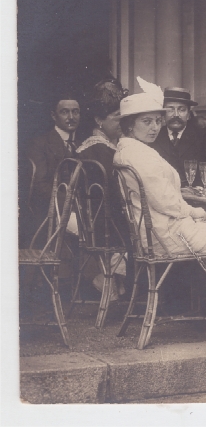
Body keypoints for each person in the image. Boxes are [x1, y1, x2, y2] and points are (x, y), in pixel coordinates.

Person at [113, 77, 206, 305]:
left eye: (157, 121)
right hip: (166, 234)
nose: (154, 127)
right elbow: (165, 201)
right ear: (130, 124)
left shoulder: (130, 149)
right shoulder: (138, 154)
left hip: (159, 230)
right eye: (146, 122)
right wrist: (195, 212)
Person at [76, 77, 128, 299]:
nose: (122, 124)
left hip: (95, 224)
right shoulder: (102, 152)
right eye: (117, 118)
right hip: (105, 227)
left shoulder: (94, 148)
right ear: (99, 120)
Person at [27, 92, 82, 220]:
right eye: (64, 112)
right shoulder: (40, 144)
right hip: (53, 213)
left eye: (75, 112)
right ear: (53, 115)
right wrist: (71, 206)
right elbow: (40, 186)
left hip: (82, 211)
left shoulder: (81, 144)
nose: (71, 117)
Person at [151, 88, 206, 187]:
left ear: (188, 114)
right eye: (170, 110)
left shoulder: (205, 138)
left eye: (181, 110)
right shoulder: (153, 137)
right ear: (163, 114)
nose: (176, 115)